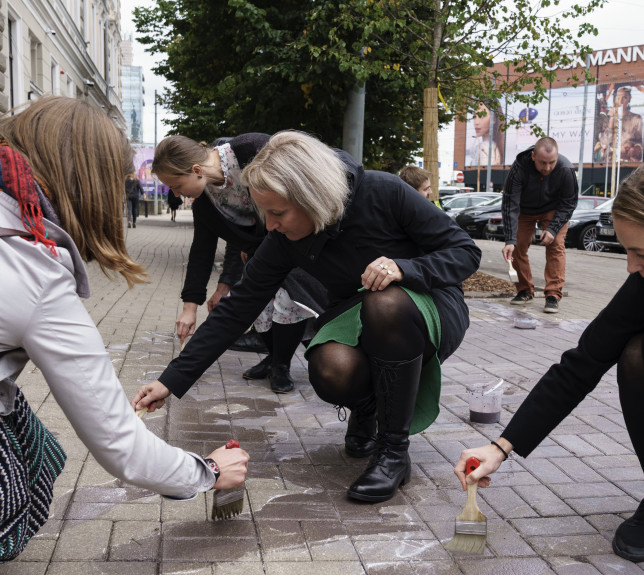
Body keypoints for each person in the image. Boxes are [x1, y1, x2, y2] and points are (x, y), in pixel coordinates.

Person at [133, 130, 481, 503]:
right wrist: (171, 379)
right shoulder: (285, 238)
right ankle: (369, 409)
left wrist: (405, 268)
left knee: (386, 302)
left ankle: (393, 452)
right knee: (330, 366)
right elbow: (237, 309)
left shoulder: (383, 192)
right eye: (265, 212)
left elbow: (465, 252)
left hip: (427, 304)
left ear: (311, 197)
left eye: (278, 213)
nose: (269, 226)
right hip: (357, 313)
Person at [455, 154, 644, 563]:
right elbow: (582, 363)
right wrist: (501, 447)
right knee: (635, 356)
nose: (632, 266)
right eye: (627, 251)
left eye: (643, 254)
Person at [0, 96, 249, 560]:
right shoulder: (30, 268)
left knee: (29, 432)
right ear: (87, 181)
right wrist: (209, 470)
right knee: (24, 461)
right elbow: (120, 444)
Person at [151, 134, 327, 393]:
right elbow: (202, 251)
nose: (177, 194)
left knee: (288, 303)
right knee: (257, 309)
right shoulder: (204, 203)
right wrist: (190, 307)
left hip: (296, 242)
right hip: (260, 256)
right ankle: (273, 359)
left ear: (196, 170)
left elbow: (298, 190)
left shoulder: (251, 149)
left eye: (176, 185)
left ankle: (281, 365)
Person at [501, 137, 578, 314]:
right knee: (517, 246)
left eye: (552, 162)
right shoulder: (519, 168)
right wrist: (509, 239)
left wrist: (552, 229)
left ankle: (552, 295)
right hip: (524, 210)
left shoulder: (565, 169)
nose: (547, 168)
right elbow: (509, 204)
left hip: (553, 209)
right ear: (533, 156)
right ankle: (524, 290)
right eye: (543, 163)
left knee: (556, 244)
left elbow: (569, 203)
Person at [464, 101, 504, 168]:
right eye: (474, 116)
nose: (476, 122)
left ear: (494, 119)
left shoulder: (483, 147)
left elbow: (482, 172)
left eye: (482, 116)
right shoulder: (495, 145)